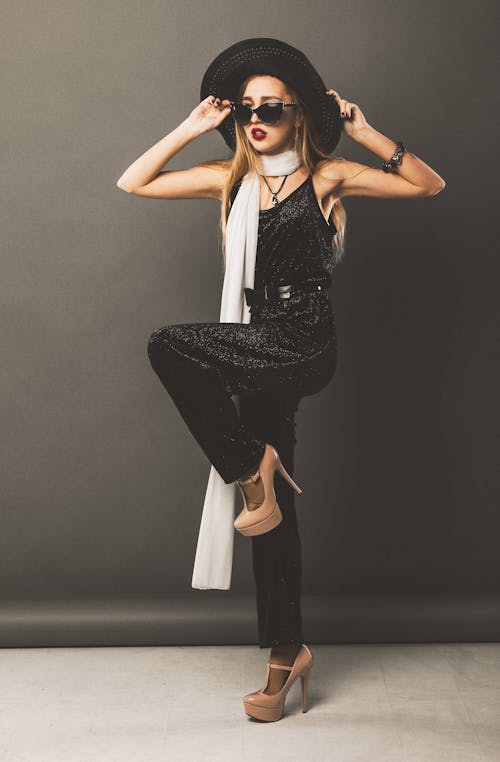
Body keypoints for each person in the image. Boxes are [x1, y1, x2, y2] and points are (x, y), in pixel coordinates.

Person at [116, 38, 445, 722]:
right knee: (273, 522)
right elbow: (135, 182)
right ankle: (284, 652)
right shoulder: (228, 176)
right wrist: (190, 127)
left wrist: (361, 131)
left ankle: (249, 466)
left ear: (300, 115)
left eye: (272, 107)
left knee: (168, 345)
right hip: (252, 339)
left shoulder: (327, 177)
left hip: (303, 341)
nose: (256, 117)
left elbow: (426, 184)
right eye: (245, 109)